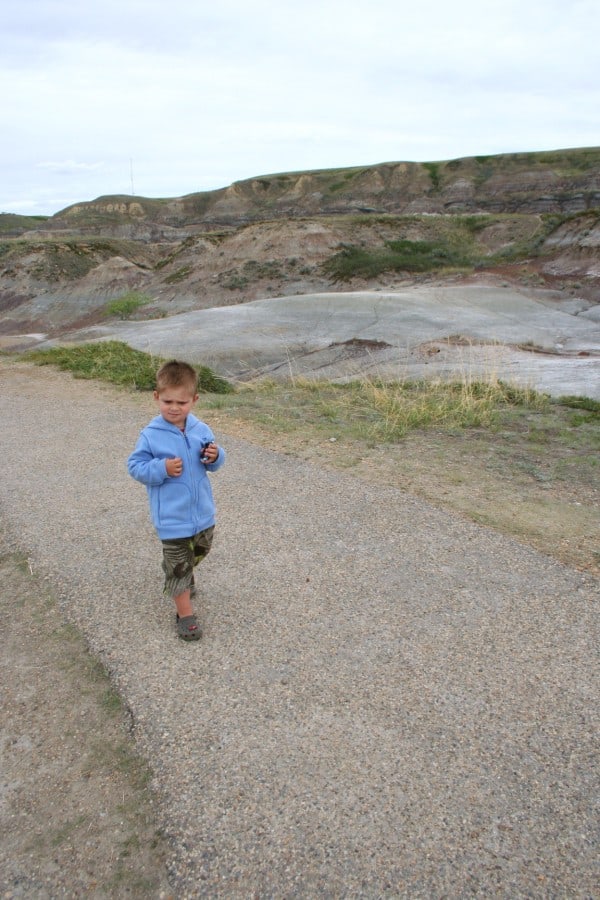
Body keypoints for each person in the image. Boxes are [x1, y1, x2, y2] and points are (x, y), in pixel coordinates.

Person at [127, 360, 226, 641]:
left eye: (181, 402)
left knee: (201, 549)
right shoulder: (151, 434)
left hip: (202, 514)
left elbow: (214, 461)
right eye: (167, 400)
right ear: (156, 397)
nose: (173, 407)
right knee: (179, 566)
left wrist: (216, 456)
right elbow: (135, 467)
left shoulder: (200, 429)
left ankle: (181, 573)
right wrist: (161, 469)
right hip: (172, 518)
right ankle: (185, 613)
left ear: (194, 400)